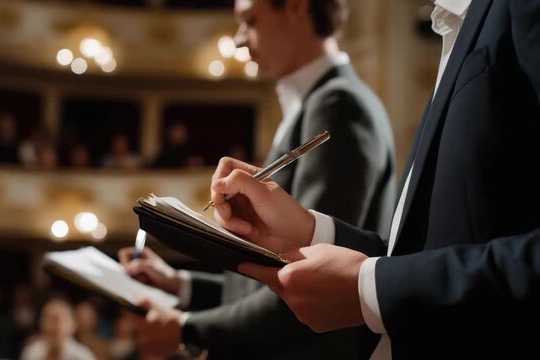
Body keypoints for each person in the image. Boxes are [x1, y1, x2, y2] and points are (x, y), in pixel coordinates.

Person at [208, 0, 540, 358]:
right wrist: (310, 231)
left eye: (251, 20)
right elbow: (428, 250)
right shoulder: (460, 20)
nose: (241, 38)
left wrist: (373, 288)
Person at [119, 0, 396, 358]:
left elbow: (310, 282)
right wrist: (181, 284)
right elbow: (273, 282)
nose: (238, 40)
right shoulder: (317, 103)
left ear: (297, 7)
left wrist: (186, 328)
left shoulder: (338, 104)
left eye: (250, 20)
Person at [20, 299, 95, 360]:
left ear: (71, 326)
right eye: (45, 319)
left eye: (55, 320)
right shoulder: (31, 352)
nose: (48, 326)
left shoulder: (82, 357)